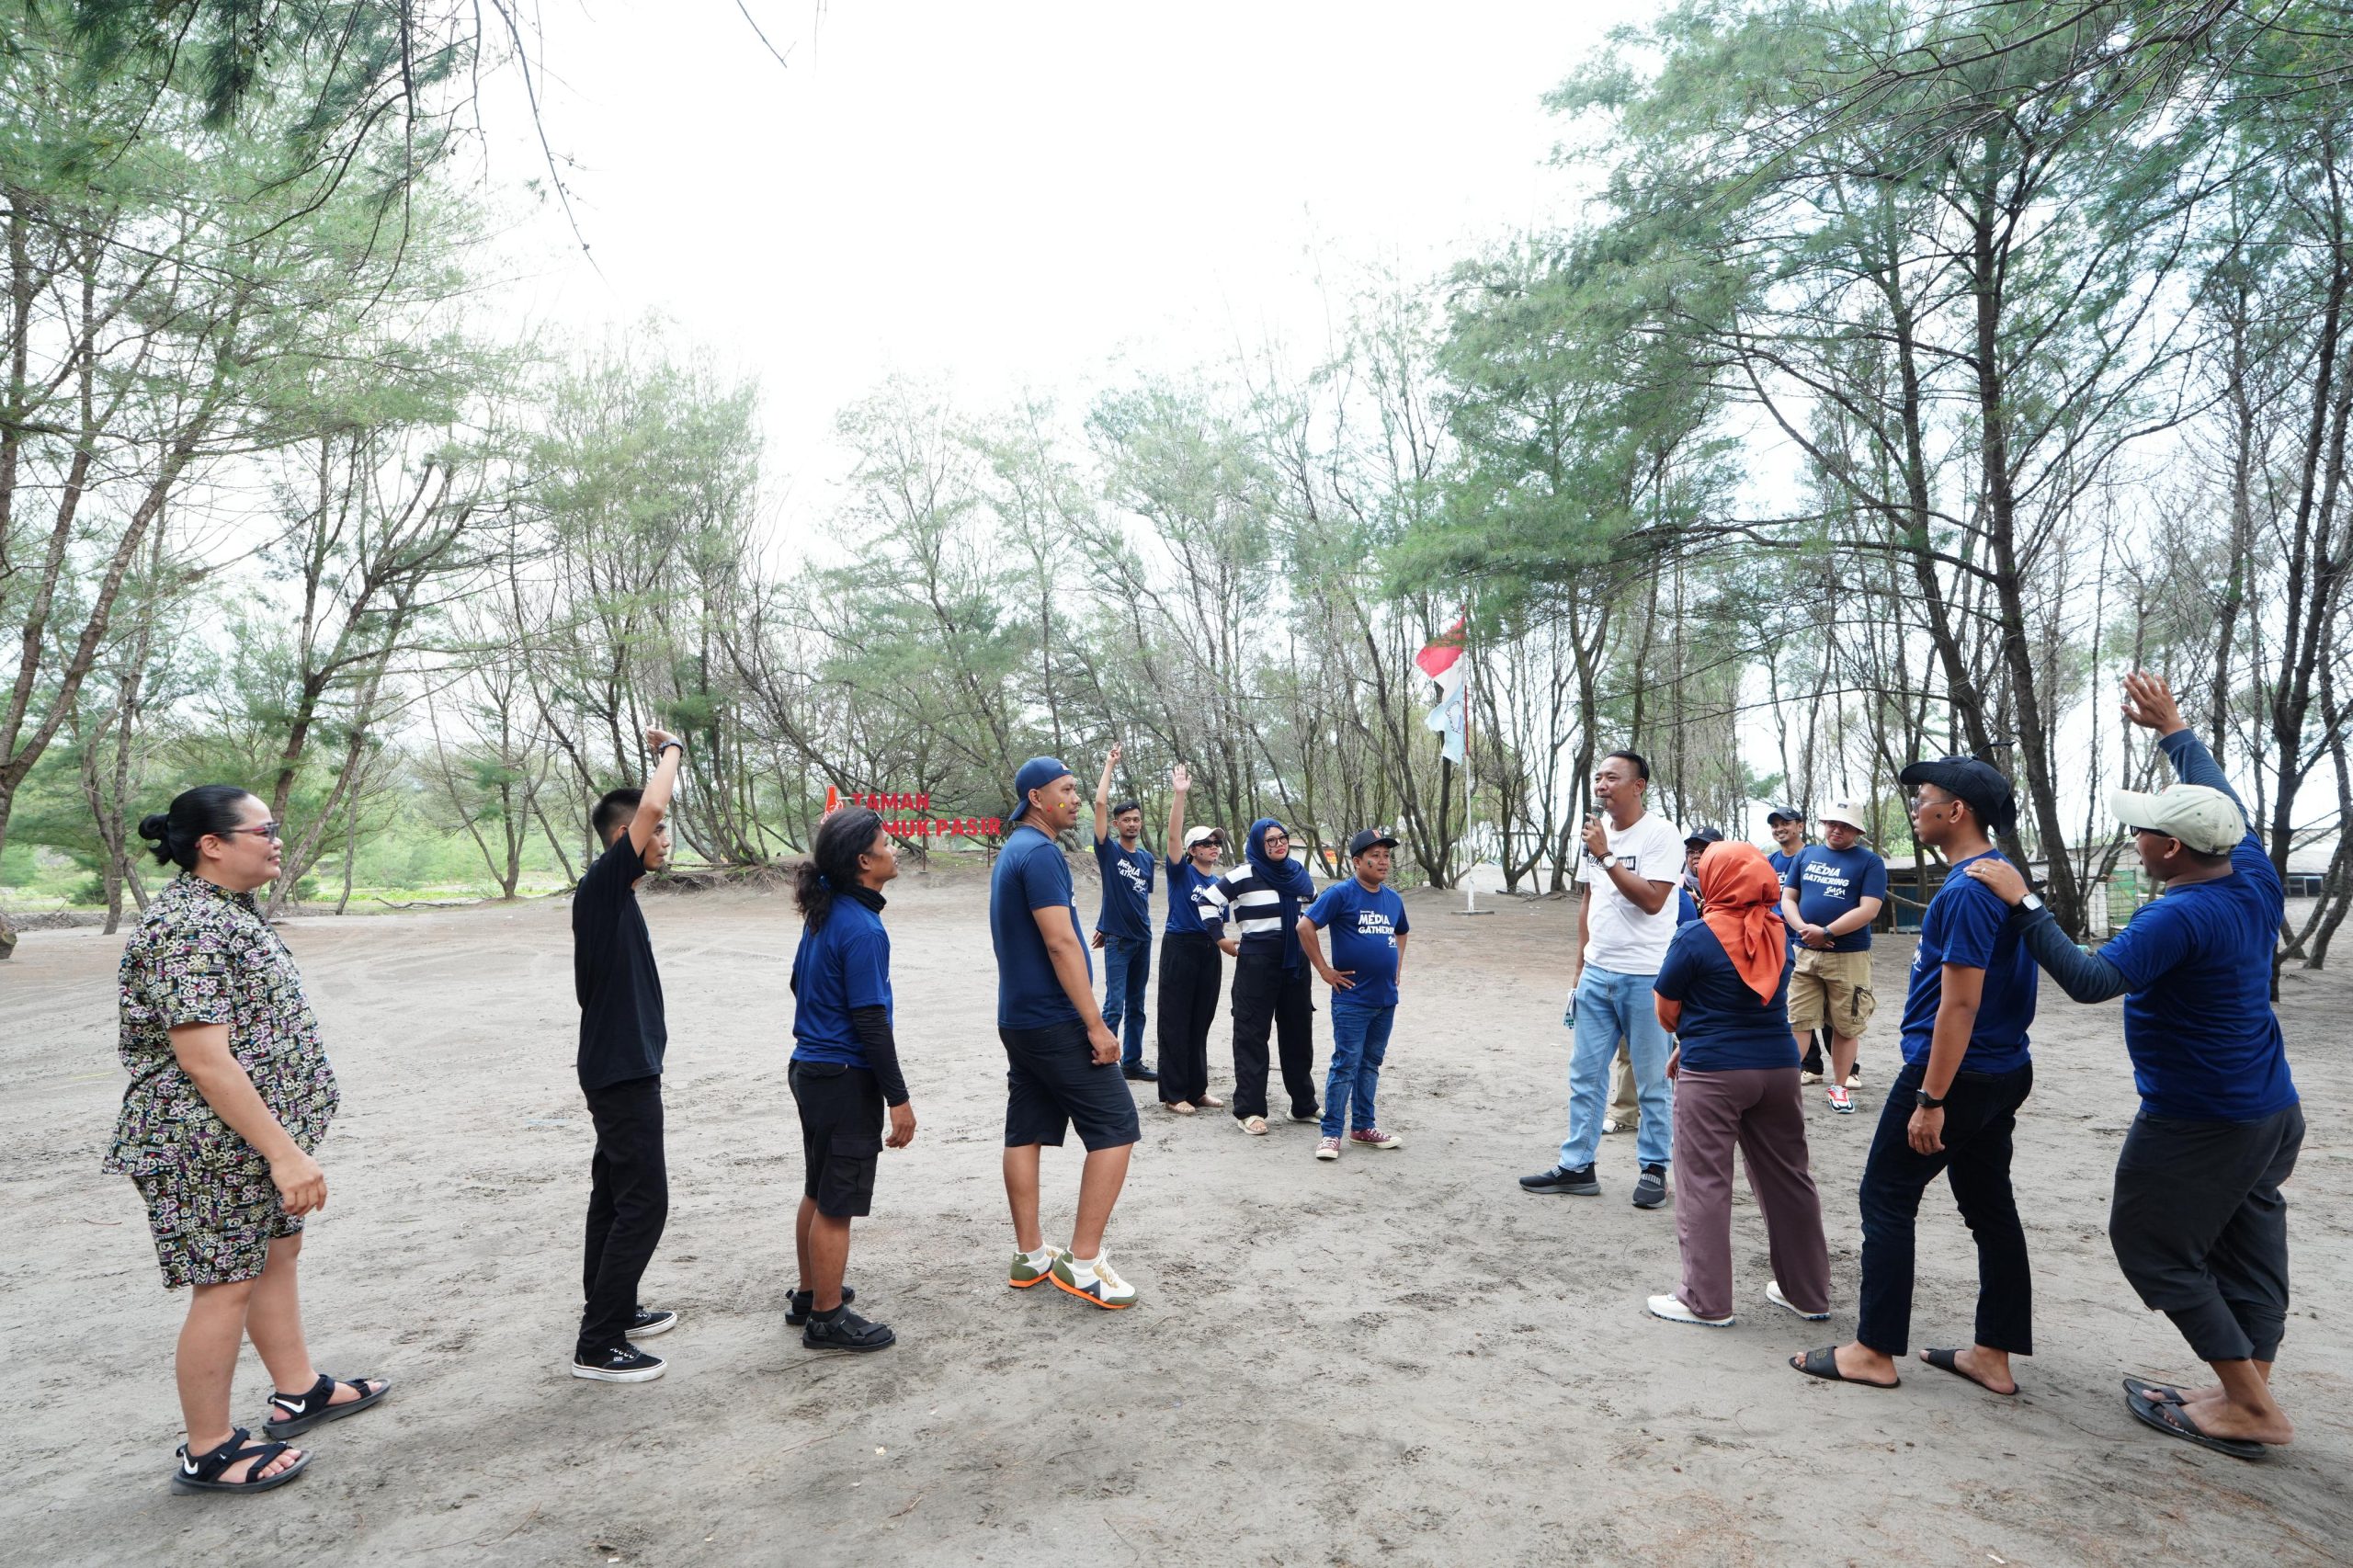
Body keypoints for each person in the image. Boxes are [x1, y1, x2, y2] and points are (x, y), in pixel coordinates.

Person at [1966, 673, 2303, 1459]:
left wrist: (2025, 903)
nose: (2136, 839)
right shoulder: (2247, 873)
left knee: (2151, 1245)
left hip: (2200, 1119)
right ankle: (2241, 1388)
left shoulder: (2181, 913)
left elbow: (2090, 982)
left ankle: (2252, 1409)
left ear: (2172, 849)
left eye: (2145, 831)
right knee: (2248, 1244)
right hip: (2268, 1109)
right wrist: (2174, 730)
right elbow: (2227, 802)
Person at [110, 786, 387, 1494]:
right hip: (205, 1145)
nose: (275, 840)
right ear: (212, 844)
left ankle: (298, 1390)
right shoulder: (184, 927)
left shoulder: (225, 912)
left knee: (275, 1257)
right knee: (223, 1286)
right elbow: (203, 1058)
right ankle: (209, 1449)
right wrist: (284, 1151)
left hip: (253, 1142)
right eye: (263, 829)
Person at [1791, 755, 2037, 1395]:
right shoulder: (2003, 875)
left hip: (1954, 1072)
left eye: (1925, 796)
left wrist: (1931, 1099)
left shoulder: (1965, 891)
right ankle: (1994, 1354)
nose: (1917, 805)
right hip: (2004, 1067)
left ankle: (1873, 1351)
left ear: (1956, 811)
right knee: (1991, 1209)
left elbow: (1960, 1004)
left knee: (1887, 1196)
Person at [1647, 841, 1831, 1327]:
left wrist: (1692, 1036)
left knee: (1705, 1182)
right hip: (1778, 1070)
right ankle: (1809, 1293)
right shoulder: (1778, 931)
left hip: (1713, 1074)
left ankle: (1704, 1300)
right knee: (1790, 1180)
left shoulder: (1696, 935)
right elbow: (1757, 1001)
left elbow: (1666, 1009)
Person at [990, 756, 1142, 1309]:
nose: (1076, 798)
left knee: (1026, 1127)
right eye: (1067, 789)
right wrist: (1096, 1024)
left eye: (1078, 789)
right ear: (1037, 798)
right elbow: (1061, 943)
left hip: (1018, 1018)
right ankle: (1082, 1263)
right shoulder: (1040, 854)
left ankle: (1030, 1255)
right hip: (1055, 1019)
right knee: (1117, 1127)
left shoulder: (1014, 851)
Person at [569, 727, 686, 1382]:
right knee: (645, 1202)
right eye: (655, 838)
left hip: (622, 1065)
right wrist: (672, 752)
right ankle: (599, 1343)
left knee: (614, 1197)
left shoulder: (617, 897)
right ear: (624, 841)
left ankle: (611, 1308)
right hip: (620, 1072)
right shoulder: (605, 885)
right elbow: (652, 809)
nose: (663, 842)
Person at [1520, 750, 1683, 1207]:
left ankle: (1654, 1168)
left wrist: (1607, 855)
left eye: (1612, 778)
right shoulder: (1597, 835)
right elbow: (1589, 901)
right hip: (1597, 973)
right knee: (1585, 1075)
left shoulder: (1661, 835)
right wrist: (1580, 966)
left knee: (1652, 1079)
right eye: (1598, 778)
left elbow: (1652, 901)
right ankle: (1577, 1166)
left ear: (1639, 786)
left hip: (1647, 974)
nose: (1601, 785)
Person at [786, 805, 917, 1352]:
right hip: (841, 1076)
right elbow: (870, 1020)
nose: (896, 849)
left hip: (810, 1069)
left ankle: (811, 1291)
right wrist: (899, 1099)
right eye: (889, 843)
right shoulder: (862, 927)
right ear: (865, 861)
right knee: (838, 1200)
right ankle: (826, 1317)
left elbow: (797, 983)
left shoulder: (826, 911)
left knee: (819, 1186)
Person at [1199, 818, 1323, 1136]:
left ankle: (1303, 1105)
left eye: (1282, 838)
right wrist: (1221, 939)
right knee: (1252, 1035)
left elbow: (1315, 910)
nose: (1279, 844)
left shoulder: (1299, 875)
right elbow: (1206, 902)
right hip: (1256, 962)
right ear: (1257, 843)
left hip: (1296, 963)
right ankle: (1250, 1109)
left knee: (1298, 1033)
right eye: (1270, 840)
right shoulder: (1242, 875)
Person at [1298, 829, 1412, 1161]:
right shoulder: (1341, 894)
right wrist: (1324, 970)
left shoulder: (1392, 899)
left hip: (1385, 998)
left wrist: (1397, 965)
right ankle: (1331, 1133)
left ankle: (1363, 1127)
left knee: (1371, 1064)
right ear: (1357, 861)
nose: (1382, 861)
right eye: (1374, 855)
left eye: (1387, 855)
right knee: (1346, 1063)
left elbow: (1401, 931)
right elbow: (1305, 927)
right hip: (1352, 999)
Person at [1779, 801, 1888, 1114]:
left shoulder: (1870, 862)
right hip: (1803, 952)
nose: (1837, 830)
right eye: (1831, 823)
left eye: (1845, 826)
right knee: (1798, 1021)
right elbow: (1788, 896)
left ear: (1857, 830)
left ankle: (1840, 1087)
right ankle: (1785, 1088)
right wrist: (1803, 929)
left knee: (1845, 1025)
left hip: (1848, 955)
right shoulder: (1806, 854)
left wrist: (1827, 932)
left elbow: (1869, 909)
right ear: (1823, 823)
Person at [1155, 764, 1226, 1114]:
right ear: (1191, 849)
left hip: (1208, 951)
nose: (1213, 847)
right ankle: (1173, 1093)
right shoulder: (1180, 872)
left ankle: (1197, 1088)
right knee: (1176, 1020)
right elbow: (1171, 838)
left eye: (1216, 842)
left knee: (1201, 1020)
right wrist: (1179, 794)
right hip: (1180, 948)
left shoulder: (1220, 885)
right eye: (1205, 843)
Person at [1090, 744, 1158, 1084]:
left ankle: (1132, 1062)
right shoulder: (1109, 850)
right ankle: (1105, 1060)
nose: (1131, 823)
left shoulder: (1146, 859)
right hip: (1118, 941)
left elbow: (1134, 898)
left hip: (1143, 939)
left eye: (1136, 819)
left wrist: (1105, 920)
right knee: (1113, 1004)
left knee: (1138, 1005)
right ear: (1116, 823)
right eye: (1125, 819)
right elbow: (1100, 803)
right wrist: (1109, 764)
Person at [1767, 804, 1832, 1085]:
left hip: (1814, 941)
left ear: (1800, 825)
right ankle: (1811, 1066)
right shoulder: (1770, 861)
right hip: (1781, 943)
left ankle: (1848, 1069)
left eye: (1786, 823)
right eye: (1775, 825)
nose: (1780, 828)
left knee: (1831, 1007)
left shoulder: (1817, 856)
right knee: (1798, 1007)